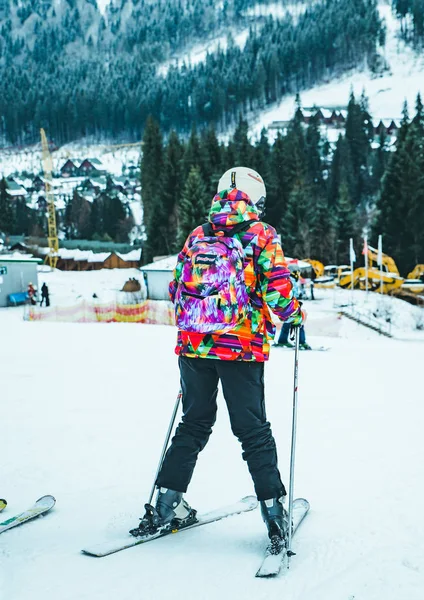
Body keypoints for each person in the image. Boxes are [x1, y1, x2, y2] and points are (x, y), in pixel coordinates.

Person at [141, 167, 304, 548]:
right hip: (241, 350)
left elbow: (175, 286)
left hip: (194, 346)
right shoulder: (261, 235)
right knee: (252, 430)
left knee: (194, 423)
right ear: (254, 199)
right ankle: (274, 515)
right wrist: (295, 313)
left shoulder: (198, 235)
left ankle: (166, 504)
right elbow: (279, 294)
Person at [275, 272, 311, 350]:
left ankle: (282, 340)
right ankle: (301, 341)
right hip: (291, 305)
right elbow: (292, 293)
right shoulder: (292, 280)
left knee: (287, 323)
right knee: (299, 322)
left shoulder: (286, 279)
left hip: (286, 305)